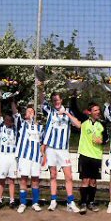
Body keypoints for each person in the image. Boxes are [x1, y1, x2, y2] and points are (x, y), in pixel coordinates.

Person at [39, 84, 82, 212]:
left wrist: (67, 114)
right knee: (53, 175)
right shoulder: (50, 111)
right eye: (54, 100)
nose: (56, 102)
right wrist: (40, 88)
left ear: (61, 100)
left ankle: (70, 202)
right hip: (51, 149)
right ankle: (53, 201)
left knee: (68, 176)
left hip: (63, 150)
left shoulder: (68, 111)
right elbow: (42, 100)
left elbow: (78, 125)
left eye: (58, 100)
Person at [70, 94, 107, 214]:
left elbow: (106, 139)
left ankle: (91, 202)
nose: (98, 112)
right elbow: (75, 109)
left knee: (93, 182)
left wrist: (101, 141)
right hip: (85, 155)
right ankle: (83, 203)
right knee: (85, 180)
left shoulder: (102, 124)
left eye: (98, 110)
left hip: (96, 156)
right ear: (90, 112)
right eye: (95, 110)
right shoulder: (85, 120)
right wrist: (73, 96)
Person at [15, 102, 44, 213]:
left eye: (32, 112)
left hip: (36, 157)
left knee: (35, 180)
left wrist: (43, 155)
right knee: (23, 179)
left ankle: (35, 203)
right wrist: (12, 100)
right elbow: (15, 112)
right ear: (25, 114)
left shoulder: (40, 127)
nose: (30, 113)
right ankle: (22, 203)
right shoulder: (21, 124)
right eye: (28, 111)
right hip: (24, 157)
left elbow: (42, 143)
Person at [0, 97, 18, 209]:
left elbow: (16, 115)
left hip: (13, 156)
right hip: (3, 155)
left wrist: (12, 102)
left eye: (10, 119)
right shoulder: (0, 127)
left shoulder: (16, 128)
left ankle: (12, 200)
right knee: (1, 179)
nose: (8, 121)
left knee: (12, 179)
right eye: (6, 119)